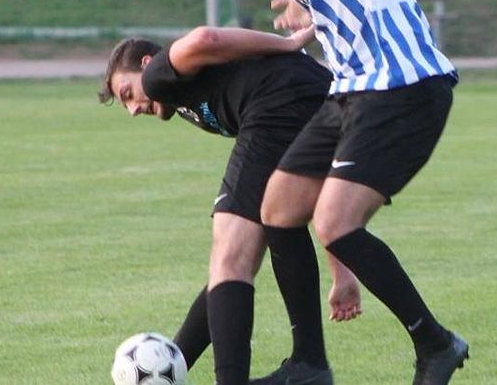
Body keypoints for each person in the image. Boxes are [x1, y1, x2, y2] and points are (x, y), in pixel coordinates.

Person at [122, 0, 468, 385]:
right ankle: (309, 363)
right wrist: (309, 11)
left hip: (401, 83)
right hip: (349, 91)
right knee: (278, 208)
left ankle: (435, 343)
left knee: (335, 222)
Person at [99, 25, 362, 385]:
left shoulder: (159, 74)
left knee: (229, 253)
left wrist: (289, 42)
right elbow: (317, 195)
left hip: (279, 103)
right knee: (253, 243)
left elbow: (206, 38)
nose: (133, 110)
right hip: (326, 103)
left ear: (147, 63)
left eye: (128, 93)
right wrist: (341, 271)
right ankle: (306, 364)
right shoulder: (183, 95)